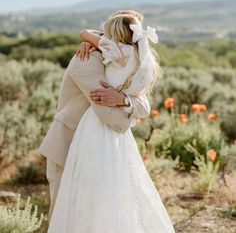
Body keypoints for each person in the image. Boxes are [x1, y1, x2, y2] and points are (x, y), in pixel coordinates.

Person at [47, 12, 176, 232]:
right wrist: (128, 116)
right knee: (72, 198)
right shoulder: (92, 58)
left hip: (97, 130)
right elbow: (120, 108)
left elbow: (137, 105)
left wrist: (124, 100)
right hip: (69, 135)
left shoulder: (110, 52)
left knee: (99, 193)